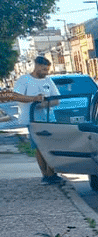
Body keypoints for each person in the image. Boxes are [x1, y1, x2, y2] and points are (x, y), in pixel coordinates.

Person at [0, 56, 62, 184]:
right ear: (37, 66)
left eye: (47, 70)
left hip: (48, 118)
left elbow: (56, 99)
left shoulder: (48, 81)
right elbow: (15, 96)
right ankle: (46, 175)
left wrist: (44, 104)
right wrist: (33, 99)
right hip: (32, 119)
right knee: (40, 146)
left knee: (50, 145)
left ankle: (52, 173)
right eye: (44, 69)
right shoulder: (24, 80)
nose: (46, 72)